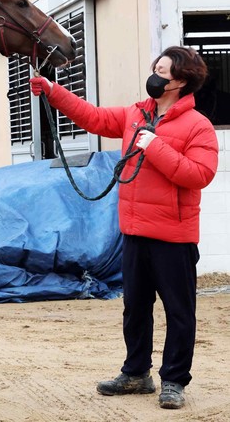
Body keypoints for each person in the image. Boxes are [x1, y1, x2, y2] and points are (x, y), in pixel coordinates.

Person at [30, 46, 218, 410]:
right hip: (134, 232)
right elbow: (94, 117)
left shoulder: (198, 126)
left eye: (162, 71)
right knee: (134, 308)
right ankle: (136, 373)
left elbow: (199, 174)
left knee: (179, 312)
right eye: (155, 68)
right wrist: (53, 91)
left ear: (180, 81)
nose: (154, 75)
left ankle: (174, 381)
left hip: (174, 238)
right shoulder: (136, 114)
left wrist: (156, 146)